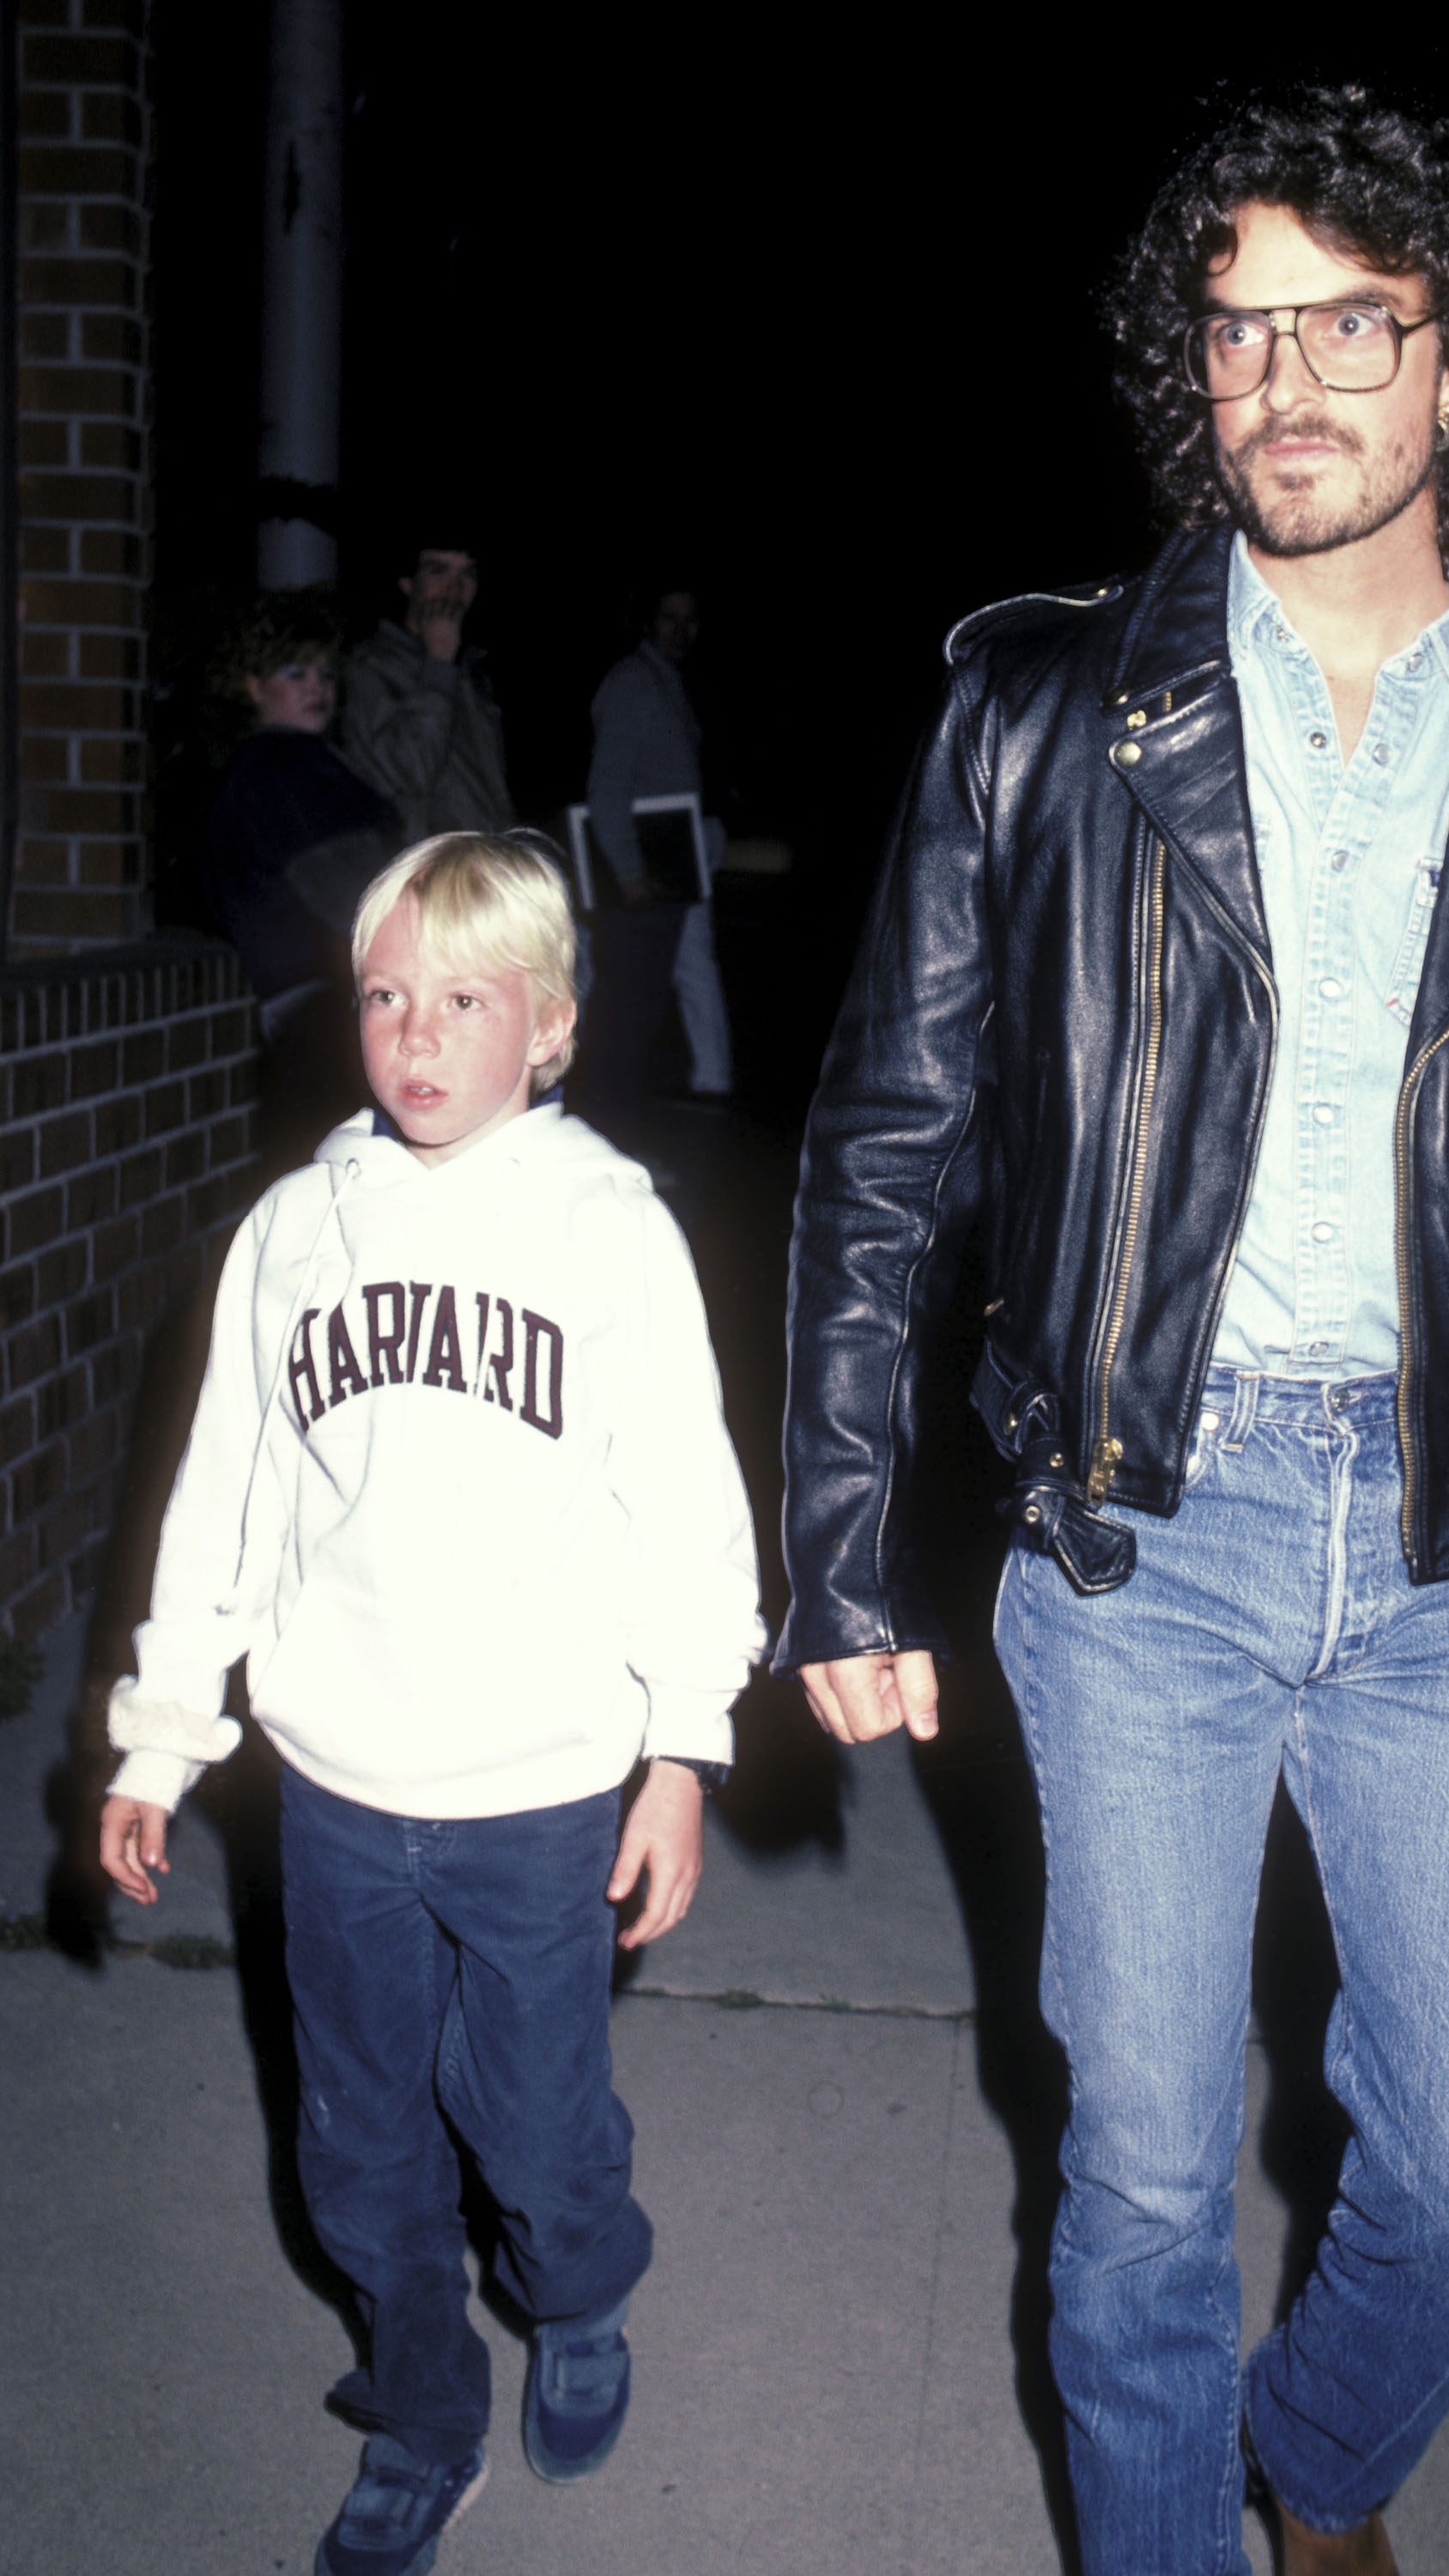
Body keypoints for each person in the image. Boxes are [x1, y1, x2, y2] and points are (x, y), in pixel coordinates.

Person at [777, 85, 1449, 2576]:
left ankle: (1316, 2462)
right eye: (1236, 337)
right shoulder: (1036, 714)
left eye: (1350, 323)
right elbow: (887, 1142)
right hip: (1138, 1544)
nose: (1284, 384)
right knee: (1130, 2181)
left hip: (1441, 1567)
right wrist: (840, 1544)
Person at [100, 835, 762, 2576]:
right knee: (355, 2132)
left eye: (460, 999)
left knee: (538, 2126)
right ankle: (419, 2404)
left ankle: (581, 2292)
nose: (413, 1032)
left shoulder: (604, 1229)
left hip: (542, 1782)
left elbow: (685, 1502)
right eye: (385, 994)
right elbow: (223, 1493)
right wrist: (166, 1733)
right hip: (336, 1784)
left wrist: (683, 1747)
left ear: (546, 1025)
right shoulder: (294, 1232)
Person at [204, 592, 401, 1148]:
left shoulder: (283, 763)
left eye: (325, 675)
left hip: (312, 1010)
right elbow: (356, 900)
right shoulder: (281, 769)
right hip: (322, 1012)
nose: (318, 687)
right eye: (296, 673)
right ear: (253, 687)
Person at [584, 587, 734, 1141]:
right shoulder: (632, 683)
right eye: (668, 618)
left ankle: (706, 1081)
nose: (681, 630)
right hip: (649, 862)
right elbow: (607, 789)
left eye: (690, 620)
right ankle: (606, 1125)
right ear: (646, 622)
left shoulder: (669, 682)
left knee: (675, 976)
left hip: (677, 854)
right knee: (630, 997)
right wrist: (627, 870)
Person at [343, 542, 516, 842]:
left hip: (484, 860)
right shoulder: (371, 667)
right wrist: (439, 661)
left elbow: (491, 786)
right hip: (425, 868)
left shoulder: (471, 669)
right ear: (407, 583)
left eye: (468, 574)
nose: (455, 587)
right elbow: (411, 772)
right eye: (439, 570)